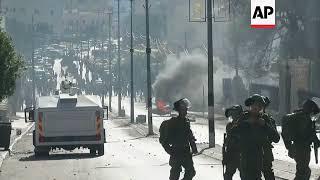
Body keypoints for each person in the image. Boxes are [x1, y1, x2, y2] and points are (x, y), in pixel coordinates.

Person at [230, 94, 279, 180]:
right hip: (246, 156)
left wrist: (265, 125)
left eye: (260, 107)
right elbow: (232, 132)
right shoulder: (244, 117)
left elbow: (276, 138)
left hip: (260, 156)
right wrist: (246, 123)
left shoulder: (265, 119)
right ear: (251, 106)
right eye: (255, 107)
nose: (257, 109)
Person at [159, 98, 198, 180]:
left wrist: (194, 148)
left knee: (191, 172)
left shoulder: (186, 122)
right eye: (184, 110)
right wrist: (170, 150)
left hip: (186, 151)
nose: (186, 112)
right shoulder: (173, 122)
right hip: (176, 151)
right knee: (175, 174)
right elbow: (165, 140)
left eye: (186, 110)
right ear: (179, 111)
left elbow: (190, 136)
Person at [281, 99, 320, 180]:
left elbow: (311, 133)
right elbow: (307, 134)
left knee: (304, 171)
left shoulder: (305, 118)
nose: (315, 116)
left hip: (300, 148)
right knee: (303, 172)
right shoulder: (303, 119)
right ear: (310, 110)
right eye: (314, 113)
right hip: (301, 149)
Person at [261, 97, 280, 180]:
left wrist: (266, 124)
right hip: (250, 154)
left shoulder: (268, 120)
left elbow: (276, 138)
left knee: (268, 174)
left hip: (265, 152)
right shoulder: (246, 118)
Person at [223, 105, 244, 180]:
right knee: (228, 175)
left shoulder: (244, 125)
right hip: (231, 154)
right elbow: (227, 141)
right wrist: (225, 156)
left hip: (242, 154)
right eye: (233, 114)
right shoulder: (229, 125)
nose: (234, 116)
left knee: (245, 175)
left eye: (236, 113)